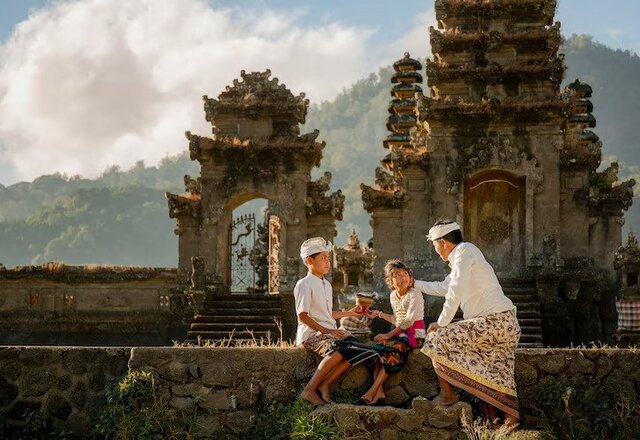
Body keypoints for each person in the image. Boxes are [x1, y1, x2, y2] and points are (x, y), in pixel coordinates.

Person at [414, 220, 521, 425]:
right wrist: (414, 284)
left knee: (436, 338)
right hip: (502, 324)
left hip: (495, 323)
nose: (436, 251)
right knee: (498, 376)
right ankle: (509, 423)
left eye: (435, 245)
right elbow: (445, 287)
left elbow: (455, 291)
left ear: (443, 242)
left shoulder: (465, 250)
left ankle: (448, 394)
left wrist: (442, 323)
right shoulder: (462, 257)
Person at [295, 237, 378, 405]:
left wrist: (351, 313)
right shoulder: (304, 284)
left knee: (361, 349)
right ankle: (309, 389)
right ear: (310, 260)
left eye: (328, 257)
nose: (328, 262)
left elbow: (327, 314)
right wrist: (328, 331)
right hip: (312, 334)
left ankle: (326, 384)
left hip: (330, 332)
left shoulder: (327, 285)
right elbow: (302, 316)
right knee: (340, 348)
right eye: (323, 258)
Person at [361, 260, 426, 405]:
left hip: (415, 335)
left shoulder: (415, 294)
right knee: (378, 349)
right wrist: (378, 314)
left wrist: (388, 335)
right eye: (397, 275)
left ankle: (373, 390)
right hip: (400, 333)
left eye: (405, 274)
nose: (403, 278)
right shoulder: (393, 296)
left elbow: (408, 321)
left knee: (390, 350)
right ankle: (379, 393)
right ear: (390, 281)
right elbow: (397, 320)